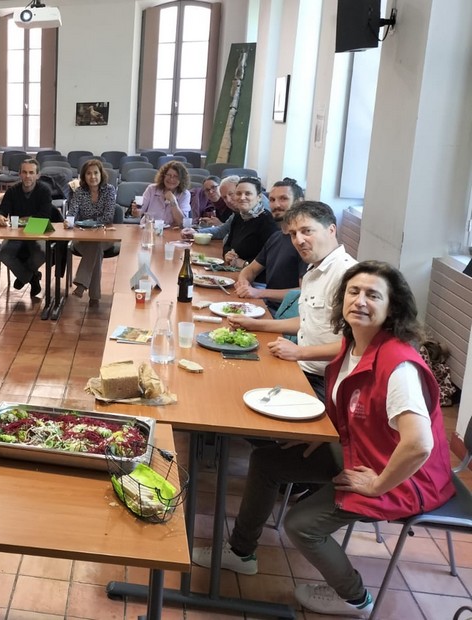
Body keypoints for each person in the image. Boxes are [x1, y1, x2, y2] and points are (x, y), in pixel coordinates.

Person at [194, 261, 455, 619]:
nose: (360, 301)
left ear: (392, 307)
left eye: (373, 295)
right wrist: (328, 435)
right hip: (358, 451)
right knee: (268, 462)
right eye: (353, 291)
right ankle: (241, 553)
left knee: (302, 525)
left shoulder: (399, 366)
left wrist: (378, 485)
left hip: (401, 477)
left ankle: (356, 599)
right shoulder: (353, 345)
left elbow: (419, 444)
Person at [229, 201, 357, 399]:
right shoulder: (313, 271)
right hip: (302, 368)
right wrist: (255, 325)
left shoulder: (347, 276)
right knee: (235, 375)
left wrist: (299, 352)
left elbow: (356, 344)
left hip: (326, 382)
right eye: (293, 234)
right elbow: (308, 322)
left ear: (331, 229)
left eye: (307, 231)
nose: (299, 240)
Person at [234, 177, 307, 312]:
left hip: (286, 315)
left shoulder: (303, 242)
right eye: (272, 200)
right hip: (266, 307)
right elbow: (251, 269)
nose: (276, 205)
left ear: (299, 202)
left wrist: (259, 293)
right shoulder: (276, 237)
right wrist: (243, 281)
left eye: (283, 199)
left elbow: (305, 291)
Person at [0, 158, 62, 298]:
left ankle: (23, 277)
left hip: (38, 234)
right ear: (19, 174)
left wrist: (23, 219)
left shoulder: (44, 190)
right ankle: (32, 278)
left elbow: (44, 216)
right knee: (4, 254)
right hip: (16, 235)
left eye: (31, 172)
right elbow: (3, 210)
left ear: (37, 175)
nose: (27, 176)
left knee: (42, 254)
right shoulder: (12, 191)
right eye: (24, 172)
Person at [67, 158, 117, 305]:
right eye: (88, 173)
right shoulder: (79, 191)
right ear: (84, 176)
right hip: (83, 238)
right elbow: (72, 212)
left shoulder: (109, 190)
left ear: (101, 174)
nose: (92, 176)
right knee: (95, 249)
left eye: (96, 173)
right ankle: (94, 296)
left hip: (105, 236)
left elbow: (108, 216)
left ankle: (82, 284)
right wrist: (69, 220)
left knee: (96, 245)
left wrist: (88, 223)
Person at [221, 177, 279, 270]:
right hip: (235, 270)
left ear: (259, 197)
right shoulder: (238, 216)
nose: (242, 197)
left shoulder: (267, 221)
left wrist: (245, 263)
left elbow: (270, 259)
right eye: (238, 193)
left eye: (248, 193)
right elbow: (228, 244)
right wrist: (227, 254)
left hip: (257, 280)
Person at [135, 161, 190, 226]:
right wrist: (136, 211)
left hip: (171, 231)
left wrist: (173, 201)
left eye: (176, 176)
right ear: (163, 176)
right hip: (150, 228)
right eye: (169, 175)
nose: (171, 179)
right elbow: (139, 211)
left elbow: (181, 223)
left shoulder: (185, 194)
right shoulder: (151, 189)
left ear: (181, 179)